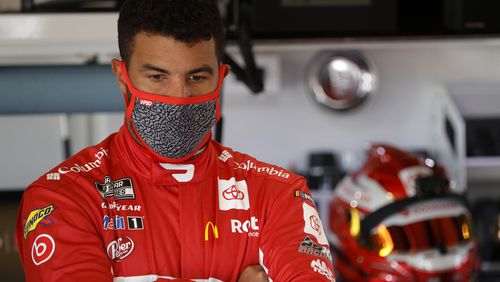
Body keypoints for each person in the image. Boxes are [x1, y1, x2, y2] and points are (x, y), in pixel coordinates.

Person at [16, 0, 335, 281]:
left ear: (220, 78)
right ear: (121, 78)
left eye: (197, 77)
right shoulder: (62, 198)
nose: (179, 97)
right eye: (157, 77)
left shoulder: (278, 194)